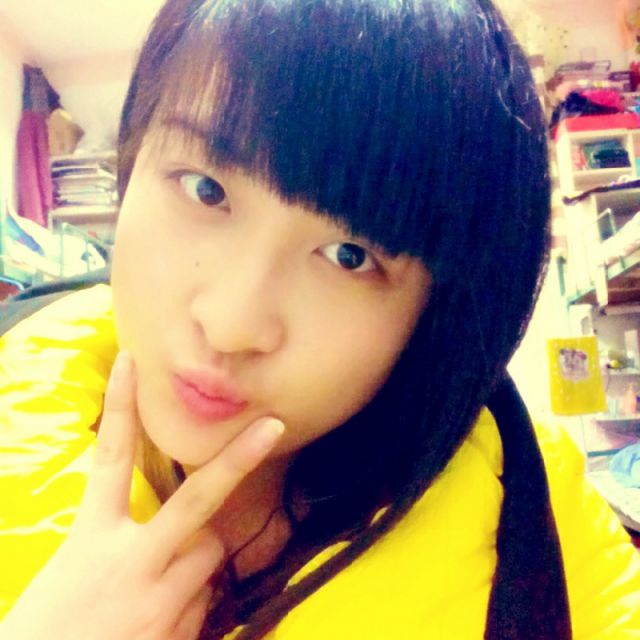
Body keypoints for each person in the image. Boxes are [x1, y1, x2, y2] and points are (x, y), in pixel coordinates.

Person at [1, 0, 639, 638]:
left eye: (348, 256)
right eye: (205, 189)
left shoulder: (527, 503)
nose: (230, 323)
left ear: (435, 310)